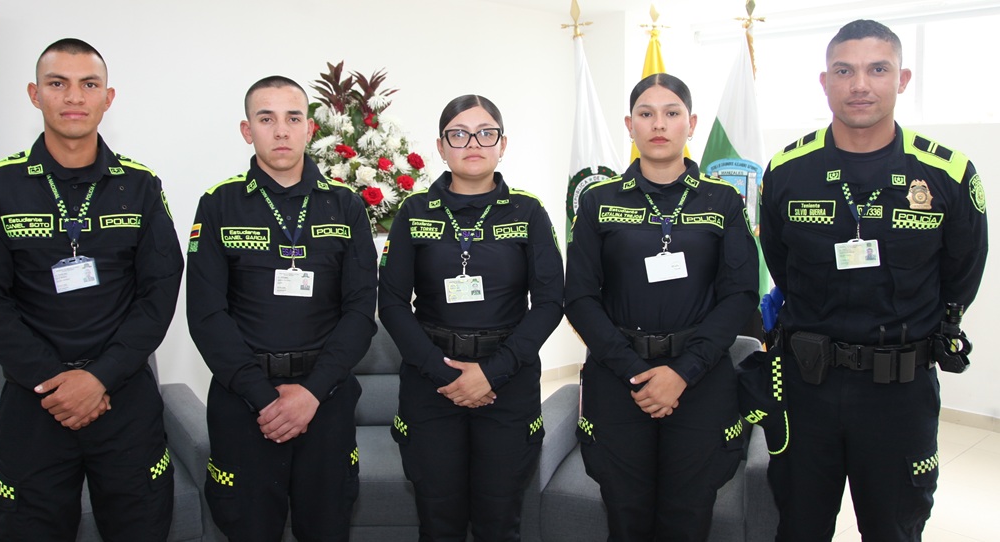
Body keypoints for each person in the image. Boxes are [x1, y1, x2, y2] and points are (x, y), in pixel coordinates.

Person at [759, 19, 988, 541]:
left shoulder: (947, 174)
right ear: (825, 82)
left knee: (895, 529)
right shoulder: (788, 170)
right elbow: (781, 264)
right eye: (844, 71)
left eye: (877, 70)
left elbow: (962, 274)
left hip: (899, 392)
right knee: (797, 526)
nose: (860, 84)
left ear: (902, 79)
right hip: (806, 387)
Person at [0, 38, 183, 541]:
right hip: (35, 402)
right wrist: (58, 383)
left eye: (89, 84)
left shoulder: (141, 185)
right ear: (34, 94)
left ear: (108, 97)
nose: (74, 97)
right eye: (58, 83)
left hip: (124, 399)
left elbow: (160, 291)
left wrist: (99, 377)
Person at [564, 73, 759, 541]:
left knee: (688, 515)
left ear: (691, 124)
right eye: (646, 114)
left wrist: (682, 372)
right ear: (629, 124)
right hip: (618, 378)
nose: (658, 124)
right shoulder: (598, 201)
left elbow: (739, 296)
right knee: (625, 513)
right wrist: (635, 372)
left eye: (672, 113)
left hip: (700, 377)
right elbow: (580, 298)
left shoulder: (723, 200)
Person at [186, 76, 377, 542]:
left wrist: (310, 394)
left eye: (293, 118)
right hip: (244, 403)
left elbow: (359, 312)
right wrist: (264, 398)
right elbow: (206, 315)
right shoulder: (218, 204)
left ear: (310, 128)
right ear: (246, 130)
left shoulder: (346, 205)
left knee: (328, 528)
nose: (281, 130)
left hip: (326, 400)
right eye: (266, 118)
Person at [378, 94, 564, 541]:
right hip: (431, 383)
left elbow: (550, 302)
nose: (473, 143)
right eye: (459, 134)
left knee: (499, 521)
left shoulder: (528, 211)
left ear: (503, 144)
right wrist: (446, 375)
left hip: (507, 382)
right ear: (441, 147)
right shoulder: (414, 212)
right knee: (438, 521)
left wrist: (491, 374)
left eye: (485, 133)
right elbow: (392, 303)